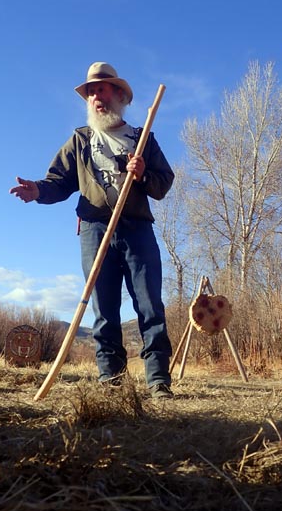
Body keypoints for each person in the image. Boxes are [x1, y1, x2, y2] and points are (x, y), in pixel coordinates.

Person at [10, 62, 175, 399]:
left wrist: (142, 172)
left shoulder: (142, 138)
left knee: (149, 304)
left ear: (118, 95)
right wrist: (38, 191)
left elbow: (164, 183)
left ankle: (158, 380)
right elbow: (59, 181)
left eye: (102, 90)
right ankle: (111, 380)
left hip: (137, 229)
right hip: (95, 229)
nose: (96, 97)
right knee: (102, 306)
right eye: (91, 92)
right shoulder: (81, 140)